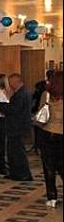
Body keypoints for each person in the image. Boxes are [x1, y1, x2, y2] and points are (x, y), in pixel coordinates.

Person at [0, 73, 33, 182]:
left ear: (16, 81)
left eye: (11, 82)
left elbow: (13, 109)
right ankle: (16, 173)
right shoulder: (24, 92)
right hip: (19, 126)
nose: (10, 84)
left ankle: (22, 174)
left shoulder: (20, 94)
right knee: (14, 151)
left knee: (17, 152)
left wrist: (0, 105)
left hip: (16, 127)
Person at [39, 71, 63, 208]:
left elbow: (41, 110)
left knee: (49, 166)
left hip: (48, 133)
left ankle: (52, 197)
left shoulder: (47, 94)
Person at [32, 70, 55, 154]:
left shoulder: (44, 89)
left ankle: (38, 147)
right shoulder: (46, 89)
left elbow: (38, 103)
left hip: (46, 117)